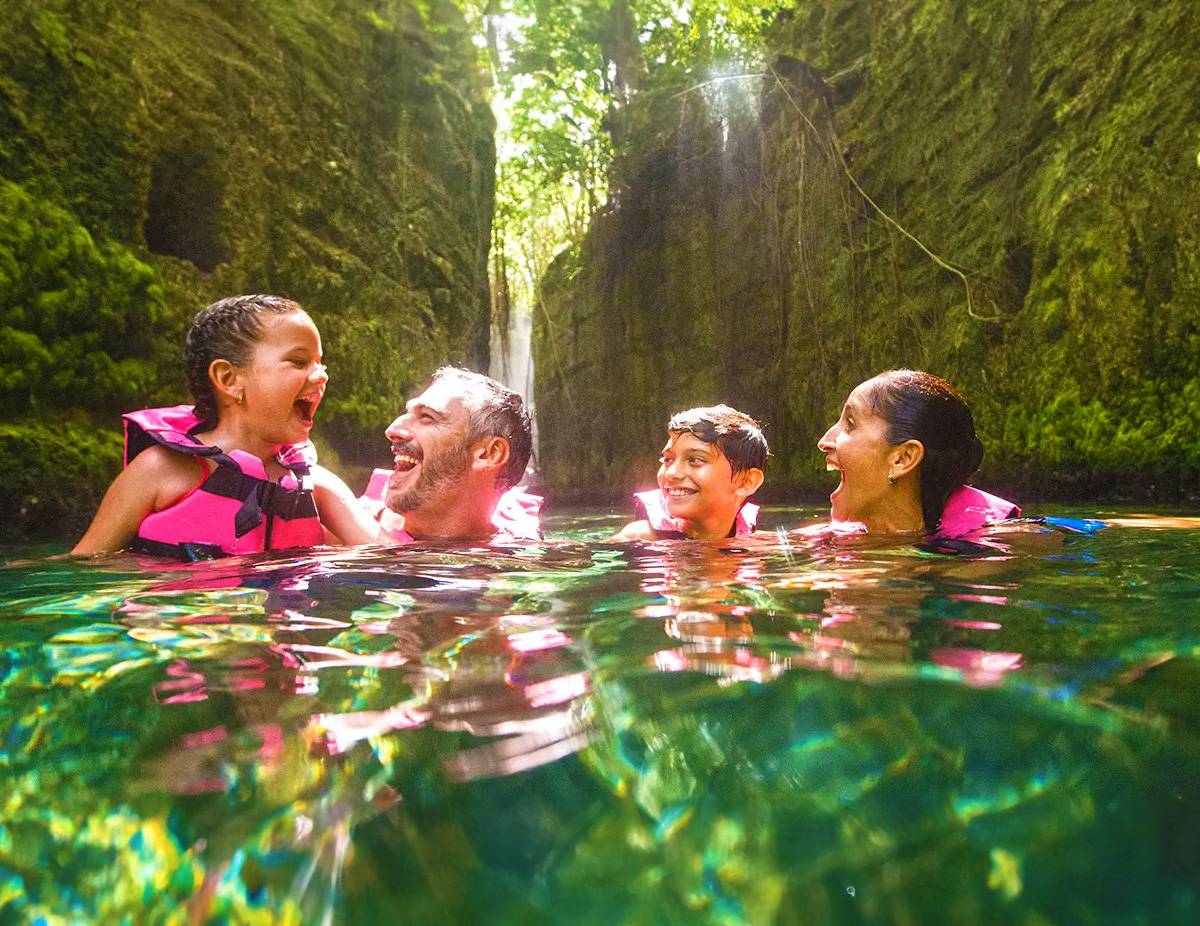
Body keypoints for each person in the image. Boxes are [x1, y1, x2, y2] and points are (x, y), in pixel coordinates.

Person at [72, 295, 382, 559]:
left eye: (320, 363)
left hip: (275, 629)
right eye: (299, 362)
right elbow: (84, 568)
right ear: (228, 379)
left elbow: (393, 557)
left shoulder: (319, 488)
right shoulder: (159, 471)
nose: (322, 376)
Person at [815, 369, 1018, 535]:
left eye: (850, 423)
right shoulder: (827, 539)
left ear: (903, 458)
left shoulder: (1000, 543)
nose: (824, 442)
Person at [360, 367, 542, 542]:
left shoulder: (526, 554)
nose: (392, 430)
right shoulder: (342, 521)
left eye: (426, 417)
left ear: (488, 454)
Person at [614, 405, 767, 541]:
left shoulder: (758, 543)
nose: (672, 473)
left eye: (695, 460)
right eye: (667, 460)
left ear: (746, 482)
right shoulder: (638, 539)